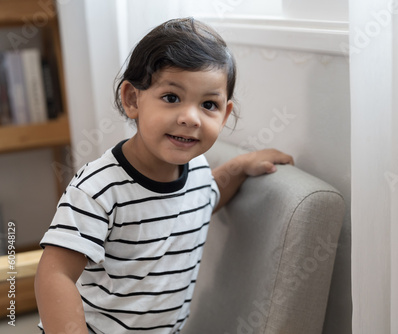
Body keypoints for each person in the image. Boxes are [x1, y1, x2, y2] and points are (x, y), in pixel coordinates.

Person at [34, 17, 293, 334]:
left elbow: (203, 200)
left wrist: (239, 167)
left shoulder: (197, 171)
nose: (190, 118)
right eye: (171, 98)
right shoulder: (98, 189)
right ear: (132, 99)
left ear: (225, 114)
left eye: (208, 104)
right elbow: (55, 274)